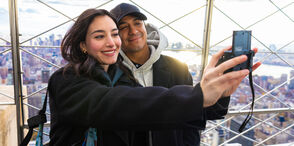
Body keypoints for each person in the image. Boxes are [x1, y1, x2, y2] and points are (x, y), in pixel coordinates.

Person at [48, 8, 260, 146]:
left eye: (113, 33)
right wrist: (199, 94)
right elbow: (118, 105)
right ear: (83, 45)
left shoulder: (122, 76)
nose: (111, 42)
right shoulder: (66, 80)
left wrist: (219, 92)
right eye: (99, 36)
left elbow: (179, 113)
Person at [110, 3, 260, 146]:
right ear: (115, 36)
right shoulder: (110, 73)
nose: (133, 31)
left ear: (145, 27)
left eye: (137, 23)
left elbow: (197, 114)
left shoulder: (177, 68)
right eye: (123, 27)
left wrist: (222, 93)